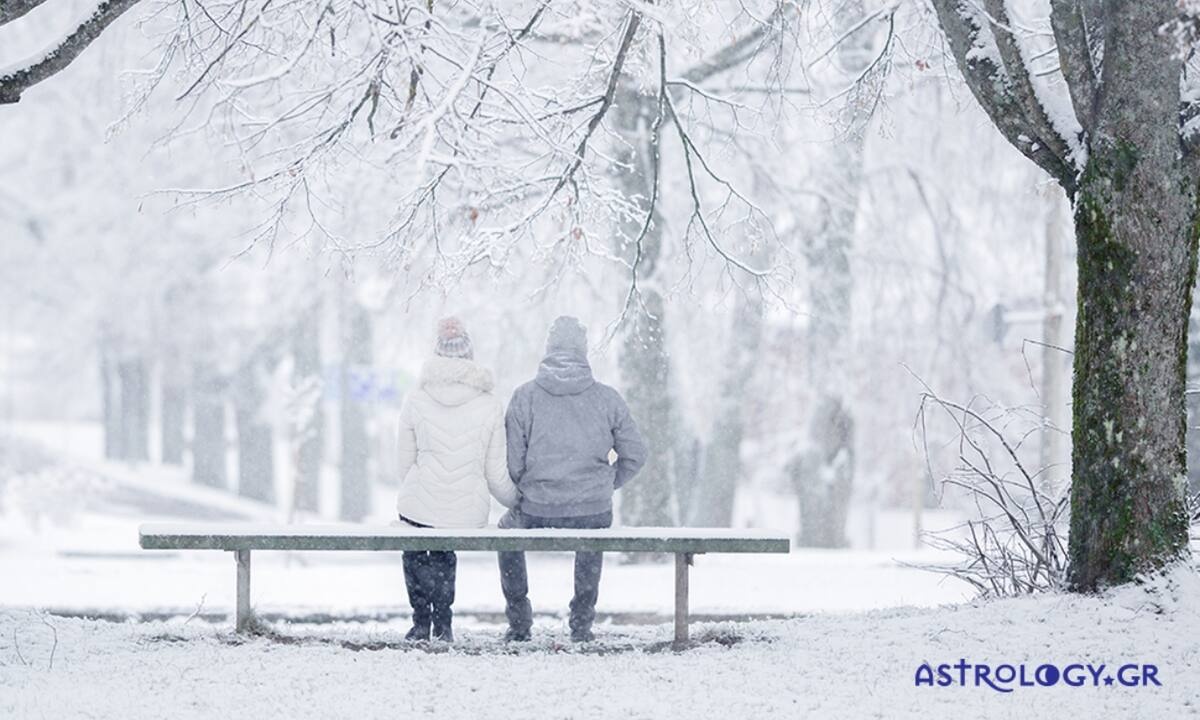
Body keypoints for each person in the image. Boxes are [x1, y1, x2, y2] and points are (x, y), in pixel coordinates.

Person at [499, 315, 647, 643]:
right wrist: (604, 484)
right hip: (591, 509)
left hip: (538, 507)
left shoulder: (525, 397)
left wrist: (535, 486)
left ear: (549, 348)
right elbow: (636, 454)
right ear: (584, 350)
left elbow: (512, 462)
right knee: (592, 536)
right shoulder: (607, 399)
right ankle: (581, 624)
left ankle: (520, 622)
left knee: (506, 532)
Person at [396, 317, 518, 642]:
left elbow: (403, 464)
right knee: (444, 553)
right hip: (466, 509)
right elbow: (495, 472)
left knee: (415, 546)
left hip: (419, 504)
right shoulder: (490, 403)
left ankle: (421, 621)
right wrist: (518, 501)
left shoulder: (416, 399)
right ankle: (444, 623)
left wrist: (421, 486)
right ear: (469, 356)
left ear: (436, 354)